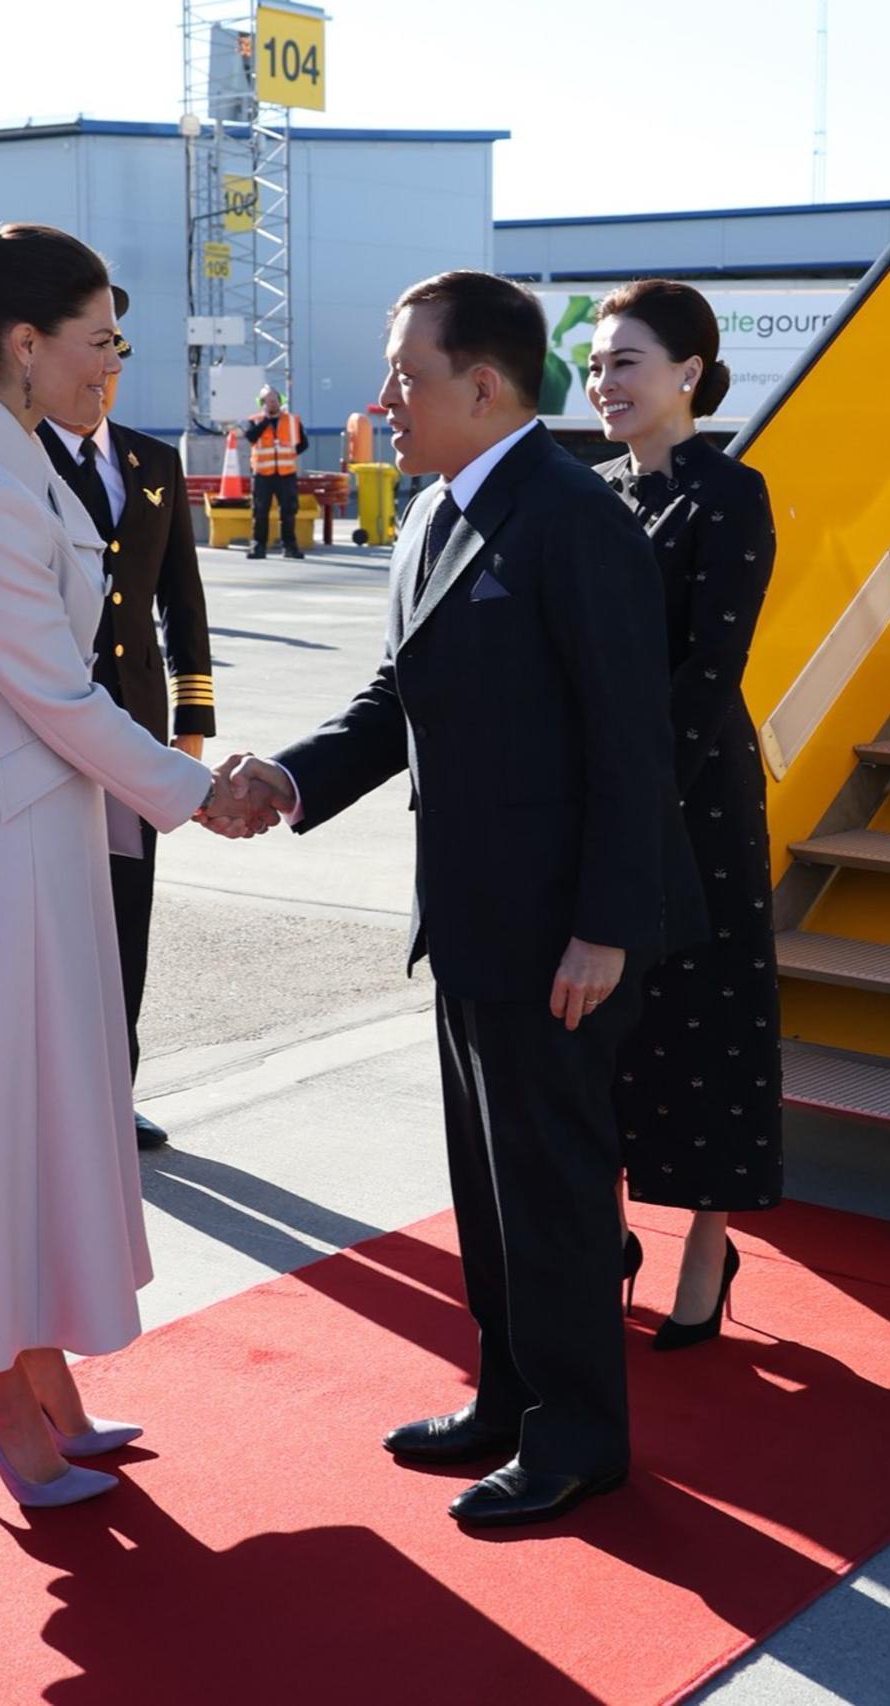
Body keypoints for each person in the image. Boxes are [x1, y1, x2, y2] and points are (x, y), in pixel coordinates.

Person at [213, 271, 705, 1528]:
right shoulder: (437, 511)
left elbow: (630, 741)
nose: (383, 397)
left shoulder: (572, 517)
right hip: (473, 917)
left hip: (563, 934)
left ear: (482, 385)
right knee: (489, 1191)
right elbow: (397, 698)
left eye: (406, 375)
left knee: (552, 1192)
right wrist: (288, 776)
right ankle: (507, 1399)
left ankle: (578, 1436)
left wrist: (605, 927)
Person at [0, 208, 252, 1510]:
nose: (113, 364)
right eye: (98, 341)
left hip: (35, 836)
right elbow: (61, 697)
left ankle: (39, 1373)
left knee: (36, 1124)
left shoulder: (5, 451)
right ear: (24, 342)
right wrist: (200, 789)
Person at [586, 279, 782, 1349]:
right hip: (596, 788)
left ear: (688, 373)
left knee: (706, 1015)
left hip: (695, 795)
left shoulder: (728, 493)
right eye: (595, 365)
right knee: (601, 1022)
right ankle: (605, 1230)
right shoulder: (589, 494)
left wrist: (638, 799)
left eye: (624, 361)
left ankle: (708, 1238)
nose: (602, 382)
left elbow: (711, 668)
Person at [37, 316, 216, 1151]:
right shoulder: (21, 454)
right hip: (51, 723)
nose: (104, 373)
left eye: (115, 357)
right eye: (94, 354)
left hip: (136, 726)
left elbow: (183, 600)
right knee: (49, 916)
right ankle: (46, 1094)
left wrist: (192, 722)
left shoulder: (152, 461)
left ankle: (116, 1089)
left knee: (125, 915)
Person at [244, 383, 307, 560]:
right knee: (260, 512)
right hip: (262, 474)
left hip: (286, 474)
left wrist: (288, 454)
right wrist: (265, 421)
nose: (272, 403)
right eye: (268, 400)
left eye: (275, 400)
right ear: (262, 403)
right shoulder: (255, 421)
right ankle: (258, 546)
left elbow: (303, 444)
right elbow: (250, 437)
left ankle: (289, 547)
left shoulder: (292, 420)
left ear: (280, 401)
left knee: (288, 511)